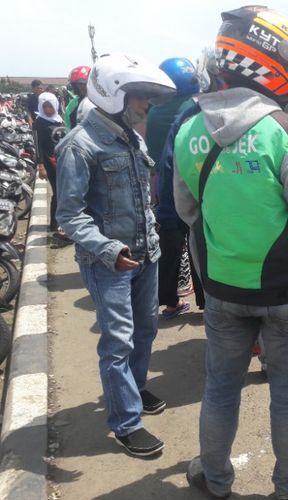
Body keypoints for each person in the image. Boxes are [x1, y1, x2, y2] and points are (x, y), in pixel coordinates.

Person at [173, 6, 288, 499]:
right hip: (287, 295)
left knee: (221, 387)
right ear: (267, 65)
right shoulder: (287, 133)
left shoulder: (189, 130)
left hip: (222, 289)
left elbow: (187, 210)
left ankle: (214, 478)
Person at [55, 53, 176, 458]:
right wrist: (108, 248)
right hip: (109, 264)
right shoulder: (80, 145)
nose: (146, 105)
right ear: (112, 95)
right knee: (118, 342)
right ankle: (126, 422)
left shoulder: (132, 137)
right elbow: (69, 215)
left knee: (147, 330)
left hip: (146, 255)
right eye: (140, 96)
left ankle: (135, 388)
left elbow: (142, 197)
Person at [145, 57, 204, 319]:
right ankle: (206, 302)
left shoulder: (154, 111)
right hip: (189, 188)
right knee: (198, 248)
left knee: (169, 251)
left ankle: (169, 303)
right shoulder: (193, 111)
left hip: (161, 186)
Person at [32, 92, 66, 234]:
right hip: (49, 162)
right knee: (57, 192)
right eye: (44, 106)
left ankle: (62, 221)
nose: (47, 110)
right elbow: (37, 144)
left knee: (65, 192)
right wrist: (41, 166)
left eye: (50, 106)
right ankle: (54, 223)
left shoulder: (59, 120)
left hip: (62, 160)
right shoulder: (39, 122)